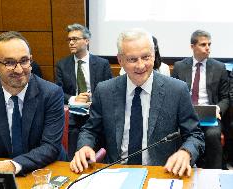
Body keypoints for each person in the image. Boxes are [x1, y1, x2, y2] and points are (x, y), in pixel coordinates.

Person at [70, 28, 205, 177]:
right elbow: (90, 130)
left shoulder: (177, 90)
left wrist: (186, 153)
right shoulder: (105, 90)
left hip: (162, 172)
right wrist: (85, 146)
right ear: (120, 60)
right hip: (115, 173)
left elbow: (195, 135)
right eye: (132, 59)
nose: (141, 66)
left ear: (154, 56)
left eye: (146, 57)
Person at [0, 31, 66, 175]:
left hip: (46, 170)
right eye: (10, 63)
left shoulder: (51, 93)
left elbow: (50, 147)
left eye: (24, 61)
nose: (19, 69)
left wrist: (11, 166)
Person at [172, 30, 229, 169]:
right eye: (203, 44)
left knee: (213, 134)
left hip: (210, 115)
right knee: (177, 135)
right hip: (186, 114)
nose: (208, 47)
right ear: (192, 46)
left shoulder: (219, 67)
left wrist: (218, 108)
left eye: (209, 44)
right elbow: (172, 94)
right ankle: (182, 169)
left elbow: (225, 97)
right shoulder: (179, 66)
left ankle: (214, 172)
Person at [55, 23, 113, 160]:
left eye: (75, 39)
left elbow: (110, 90)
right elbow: (57, 92)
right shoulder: (62, 64)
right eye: (69, 40)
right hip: (74, 117)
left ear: (86, 41)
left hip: (96, 114)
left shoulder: (102, 64)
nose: (71, 43)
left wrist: (96, 97)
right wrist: (74, 99)